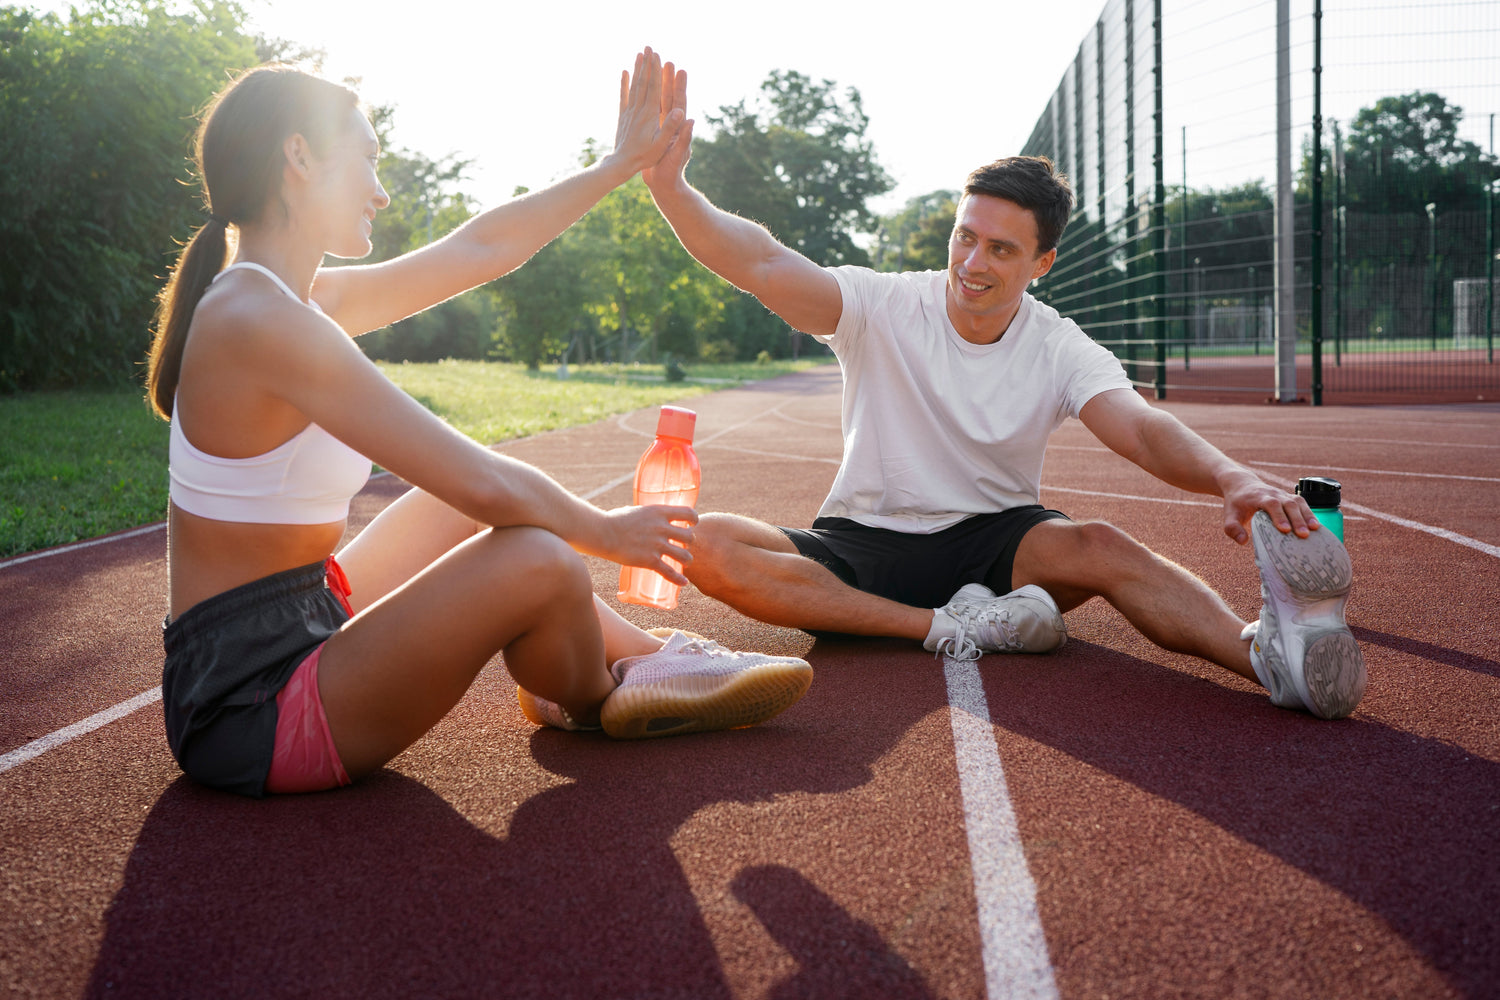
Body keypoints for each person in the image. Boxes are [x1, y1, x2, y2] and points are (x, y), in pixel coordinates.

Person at [145, 52, 812, 799]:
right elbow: (480, 477)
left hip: (302, 614)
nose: (384, 192)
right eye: (368, 160)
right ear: (297, 155)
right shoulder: (259, 319)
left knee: (467, 518)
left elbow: (480, 249)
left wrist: (617, 165)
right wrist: (607, 532)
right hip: (250, 709)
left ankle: (645, 662)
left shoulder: (291, 303)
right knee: (543, 559)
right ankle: (586, 688)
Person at [635, 63, 1365, 720]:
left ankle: (1271, 661)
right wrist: (671, 188)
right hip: (861, 543)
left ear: (1042, 261)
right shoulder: (880, 305)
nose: (972, 262)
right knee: (703, 541)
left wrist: (1230, 477)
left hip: (999, 543)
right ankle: (950, 628)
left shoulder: (1058, 345)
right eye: (964, 237)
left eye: (1001, 249)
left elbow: (1139, 429)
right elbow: (760, 261)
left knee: (1104, 545)